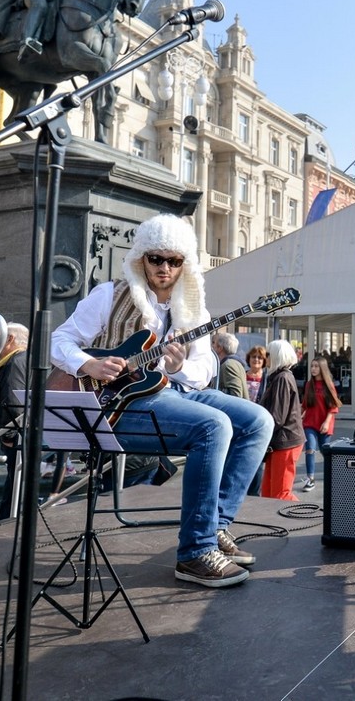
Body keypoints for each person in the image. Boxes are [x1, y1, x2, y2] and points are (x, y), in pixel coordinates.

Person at [50, 213, 272, 588]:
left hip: (175, 392)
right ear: (141, 258)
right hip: (118, 407)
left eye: (174, 260)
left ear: (186, 263)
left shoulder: (194, 312)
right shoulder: (109, 294)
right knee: (213, 425)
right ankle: (194, 553)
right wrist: (90, 363)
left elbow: (203, 371)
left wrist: (180, 365)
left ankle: (214, 527)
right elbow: (59, 341)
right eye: (156, 258)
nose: (164, 267)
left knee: (258, 421)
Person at [0, 323, 28, 522]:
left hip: (17, 435)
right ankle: (6, 521)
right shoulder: (18, 360)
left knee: (16, 484)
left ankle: (7, 523)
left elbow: (14, 402)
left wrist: (8, 435)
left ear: (10, 339)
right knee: (15, 483)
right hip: (19, 434)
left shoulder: (15, 361)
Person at [258, 339, 304, 501]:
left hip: (285, 440)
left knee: (280, 493)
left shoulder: (282, 378)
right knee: (269, 491)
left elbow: (277, 417)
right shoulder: (280, 377)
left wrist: (260, 434)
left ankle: (306, 519)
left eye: (268, 354)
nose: (266, 358)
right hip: (281, 441)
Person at [300, 357, 340, 492]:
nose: (313, 369)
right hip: (309, 423)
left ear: (322, 368)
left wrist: (327, 422)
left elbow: (333, 407)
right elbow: (304, 405)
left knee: (325, 451)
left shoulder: (328, 385)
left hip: (324, 423)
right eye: (312, 366)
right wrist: (297, 417)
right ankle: (310, 479)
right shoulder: (308, 385)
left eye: (316, 366)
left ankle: (334, 474)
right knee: (310, 448)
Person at [212, 332, 247, 399]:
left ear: (220, 348)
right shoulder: (233, 363)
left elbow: (235, 395)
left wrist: (211, 391)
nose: (211, 346)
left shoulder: (228, 365)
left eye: (213, 343)